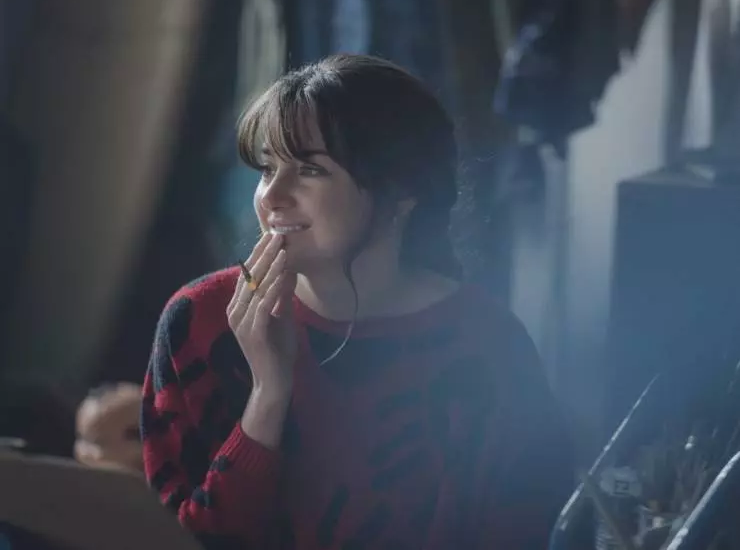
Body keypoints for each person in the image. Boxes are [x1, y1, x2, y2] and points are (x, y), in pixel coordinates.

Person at [141, 53, 573, 549]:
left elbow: (529, 530)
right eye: (267, 168)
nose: (272, 196)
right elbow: (174, 538)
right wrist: (268, 396)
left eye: (309, 169)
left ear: (402, 191)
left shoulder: (489, 344)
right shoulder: (198, 322)